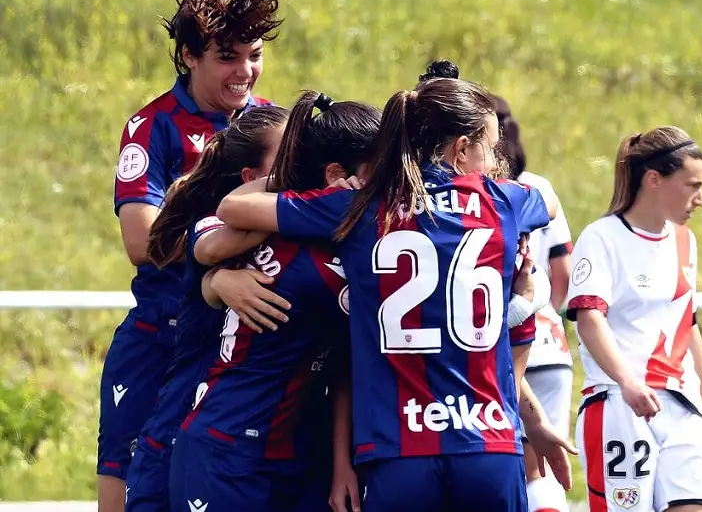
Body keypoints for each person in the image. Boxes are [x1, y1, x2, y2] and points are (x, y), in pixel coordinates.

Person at [216, 78, 577, 512]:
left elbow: (232, 207)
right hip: (487, 441)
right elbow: (550, 199)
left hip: (397, 447)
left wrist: (314, 180)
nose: (496, 162)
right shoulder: (504, 201)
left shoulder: (363, 205)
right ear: (461, 149)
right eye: (490, 149)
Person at [100, 0, 282, 509]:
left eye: (255, 54)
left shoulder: (278, 129)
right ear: (188, 56)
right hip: (163, 331)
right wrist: (214, 266)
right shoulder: (152, 126)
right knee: (124, 475)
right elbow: (141, 242)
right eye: (229, 57)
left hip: (245, 343)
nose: (245, 71)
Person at [168, 91, 382, 512]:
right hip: (227, 450)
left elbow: (343, 363)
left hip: (297, 453)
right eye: (381, 173)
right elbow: (209, 246)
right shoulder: (278, 238)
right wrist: (216, 281)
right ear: (338, 175)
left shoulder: (327, 233)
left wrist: (342, 464)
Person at [416, 61, 576, 511]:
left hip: (417, 422)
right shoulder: (512, 197)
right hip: (488, 401)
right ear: (464, 145)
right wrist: (527, 305)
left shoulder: (380, 202)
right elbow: (551, 264)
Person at [123, 105, 290, 512]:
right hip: (180, 441)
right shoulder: (213, 229)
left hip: (253, 451)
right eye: (290, 159)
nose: (303, 166)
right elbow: (207, 248)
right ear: (250, 179)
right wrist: (214, 282)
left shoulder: (301, 232)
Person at [566, 126, 702, 512]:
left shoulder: (686, 241)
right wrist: (627, 382)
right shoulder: (602, 237)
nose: (700, 200)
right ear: (654, 180)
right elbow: (589, 319)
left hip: (682, 409)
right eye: (691, 185)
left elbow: (689, 326)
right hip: (620, 406)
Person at [495, 95, 575, 512]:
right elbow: (563, 270)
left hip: (495, 340)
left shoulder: (479, 194)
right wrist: (545, 312)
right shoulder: (539, 188)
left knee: (522, 468)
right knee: (547, 471)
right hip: (549, 344)